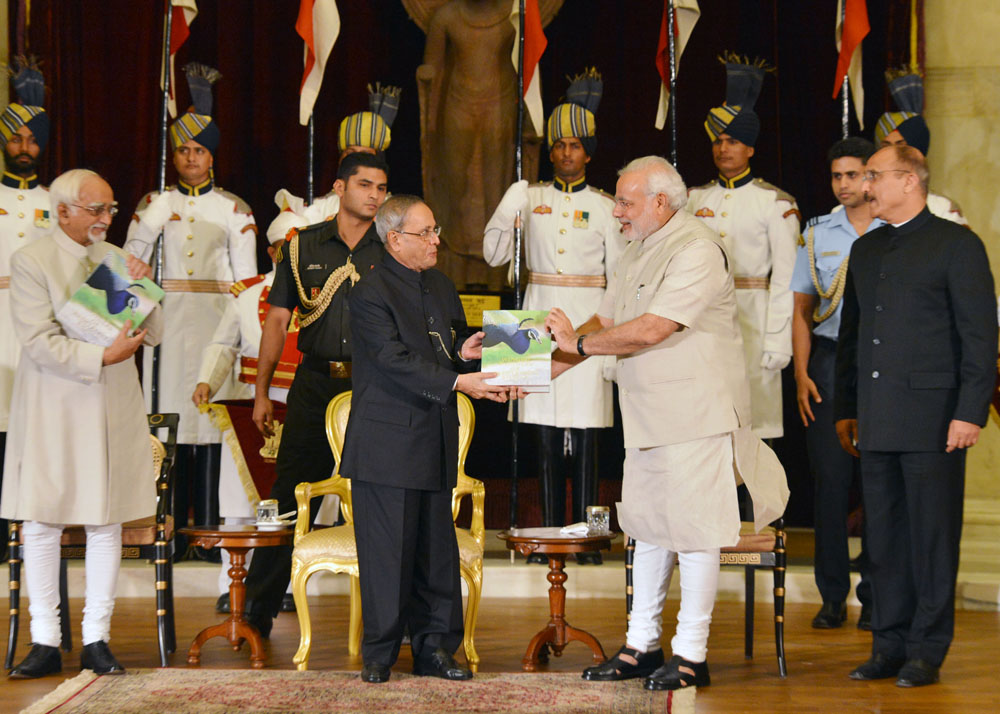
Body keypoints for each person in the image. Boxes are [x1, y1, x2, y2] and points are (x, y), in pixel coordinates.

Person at [545, 156, 787, 691]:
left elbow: (653, 329)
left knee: (697, 535)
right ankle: (641, 647)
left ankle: (691, 656)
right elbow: (604, 322)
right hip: (649, 416)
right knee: (648, 531)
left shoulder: (696, 248)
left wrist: (577, 345)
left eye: (626, 202)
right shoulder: (637, 249)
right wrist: (538, 371)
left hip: (695, 415)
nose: (617, 212)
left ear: (660, 201)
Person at [834, 145, 996, 687]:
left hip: (935, 421)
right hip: (877, 420)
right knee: (883, 541)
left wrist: (971, 411)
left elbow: (980, 339)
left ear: (909, 180)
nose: (866, 185)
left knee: (931, 539)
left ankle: (927, 649)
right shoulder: (867, 250)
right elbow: (854, 339)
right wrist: (847, 410)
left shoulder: (957, 245)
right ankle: (889, 645)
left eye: (875, 176)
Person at [342, 194, 518, 683]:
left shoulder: (440, 284)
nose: (437, 240)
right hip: (387, 444)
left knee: (435, 552)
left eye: (436, 229)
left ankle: (435, 651)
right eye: (427, 233)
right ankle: (379, 654)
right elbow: (393, 359)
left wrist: (467, 351)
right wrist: (461, 381)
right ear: (395, 239)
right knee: (388, 554)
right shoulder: (369, 292)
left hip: (435, 437)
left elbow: (445, 348)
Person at [2, 169, 162, 678]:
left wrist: (142, 279)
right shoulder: (32, 260)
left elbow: (152, 328)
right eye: (96, 210)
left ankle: (97, 638)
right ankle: (45, 639)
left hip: (109, 404)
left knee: (104, 517)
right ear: (63, 211)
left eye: (110, 209)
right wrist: (103, 356)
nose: (105, 219)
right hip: (54, 404)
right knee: (43, 520)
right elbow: (38, 339)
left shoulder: (114, 258)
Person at [243, 152, 389, 637]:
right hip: (313, 385)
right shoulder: (301, 247)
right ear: (340, 187)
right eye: (365, 184)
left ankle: (394, 621)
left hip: (374, 386)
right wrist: (263, 392)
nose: (374, 195)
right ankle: (257, 615)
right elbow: (278, 321)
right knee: (289, 496)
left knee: (383, 499)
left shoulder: (392, 247)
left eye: (381, 188)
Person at [483, 68, 623, 563]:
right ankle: (542, 534)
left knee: (586, 430)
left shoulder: (607, 206)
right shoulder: (531, 195)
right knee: (536, 426)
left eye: (576, 145)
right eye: (559, 144)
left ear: (589, 151)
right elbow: (494, 255)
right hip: (531, 309)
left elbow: (623, 273)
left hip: (590, 312)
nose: (566, 152)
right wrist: (508, 206)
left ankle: (586, 536)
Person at [124, 63, 257, 549]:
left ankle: (209, 535)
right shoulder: (152, 203)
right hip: (166, 321)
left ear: (211, 156)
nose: (190, 158)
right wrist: (148, 226)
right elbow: (129, 269)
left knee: (213, 426)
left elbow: (246, 284)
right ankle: (168, 530)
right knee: (168, 423)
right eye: (182, 149)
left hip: (216, 321)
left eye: (199, 150)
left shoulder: (233, 208)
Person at [792, 137, 882, 631]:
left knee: (877, 484)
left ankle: (874, 595)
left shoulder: (894, 228)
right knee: (830, 483)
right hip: (827, 365)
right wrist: (802, 373)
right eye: (836, 176)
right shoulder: (817, 232)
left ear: (872, 176)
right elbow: (802, 310)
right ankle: (831, 595)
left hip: (880, 365)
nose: (844, 184)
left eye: (853, 174)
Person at [686, 55, 800, 439]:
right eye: (717, 140)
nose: (723, 148)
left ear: (750, 148)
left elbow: (785, 277)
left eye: (732, 140)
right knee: (707, 423)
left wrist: (778, 340)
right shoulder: (692, 198)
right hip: (702, 319)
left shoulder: (774, 203)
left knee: (754, 429)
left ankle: (754, 503)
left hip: (754, 318)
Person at [191, 230, 304, 614]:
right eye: (285, 249)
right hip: (248, 406)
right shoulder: (247, 294)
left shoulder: (322, 291)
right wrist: (208, 378)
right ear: (272, 252)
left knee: (290, 500)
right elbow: (224, 343)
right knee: (239, 502)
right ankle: (230, 584)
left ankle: (283, 584)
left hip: (301, 404)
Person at [0, 56, 53, 559]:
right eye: (16, 138)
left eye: (32, 139)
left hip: (38, 330)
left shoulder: (58, 201)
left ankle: (30, 532)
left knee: (33, 431)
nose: (24, 147)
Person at [267, 83, 401, 246]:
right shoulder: (318, 207)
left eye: (365, 154)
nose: (357, 160)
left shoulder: (395, 210)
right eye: (351, 153)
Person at [873, 71, 967, 226]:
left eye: (901, 146)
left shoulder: (943, 209)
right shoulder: (870, 209)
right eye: (886, 146)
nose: (893, 154)